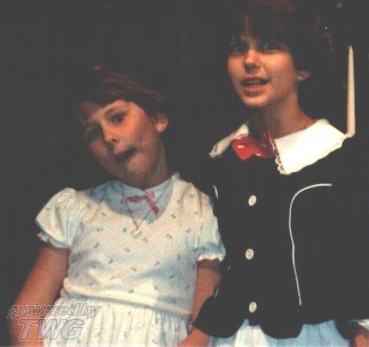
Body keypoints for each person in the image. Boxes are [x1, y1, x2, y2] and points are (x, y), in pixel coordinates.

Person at [181, 0, 369, 347]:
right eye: (238, 47)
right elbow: (222, 266)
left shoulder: (345, 157)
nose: (250, 60)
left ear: (304, 66)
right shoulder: (222, 160)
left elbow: (368, 274)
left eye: (269, 46)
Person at [9, 70, 225, 346]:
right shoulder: (76, 208)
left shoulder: (203, 212)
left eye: (117, 118)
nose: (108, 136)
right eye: (93, 133)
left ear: (158, 119)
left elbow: (204, 330)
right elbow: (25, 313)